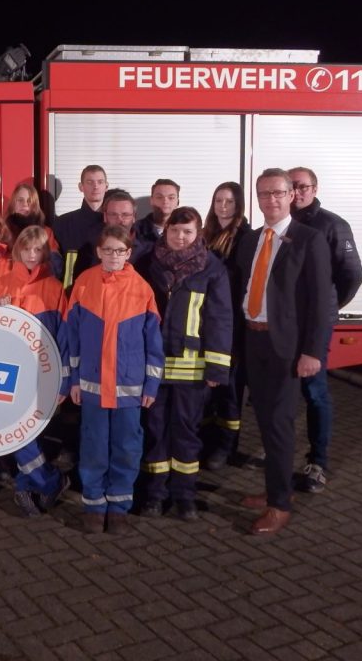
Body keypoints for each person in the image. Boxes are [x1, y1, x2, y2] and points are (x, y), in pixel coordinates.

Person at [236, 168, 332, 535]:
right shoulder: (252, 239)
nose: (270, 200)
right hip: (254, 339)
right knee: (264, 419)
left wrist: (312, 352)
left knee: (279, 423)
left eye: (277, 193)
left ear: (291, 195)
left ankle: (280, 504)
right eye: (263, 194)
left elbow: (321, 302)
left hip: (287, 348)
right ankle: (275, 487)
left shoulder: (309, 239)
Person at [65, 226, 163, 535]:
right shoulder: (84, 283)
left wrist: (151, 385)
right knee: (93, 446)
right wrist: (74, 381)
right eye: (108, 250)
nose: (113, 256)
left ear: (129, 253)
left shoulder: (142, 288)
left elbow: (154, 345)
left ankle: (119, 506)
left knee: (126, 447)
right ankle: (94, 505)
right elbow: (72, 338)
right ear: (98, 251)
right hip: (92, 387)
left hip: (129, 390)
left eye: (120, 250)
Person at [137, 207, 233, 521]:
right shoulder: (147, 264)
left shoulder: (211, 269)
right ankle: (154, 494)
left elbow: (220, 320)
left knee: (187, 432)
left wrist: (216, 368)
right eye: (175, 231)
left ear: (198, 234)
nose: (180, 237)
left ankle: (184, 496)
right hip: (154, 368)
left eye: (188, 232)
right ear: (166, 231)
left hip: (191, 370)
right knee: (155, 431)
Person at [288, 166, 362, 493]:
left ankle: (318, 461)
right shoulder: (280, 223)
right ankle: (281, 451)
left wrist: (328, 309)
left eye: (303, 186)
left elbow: (352, 275)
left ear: (315, 188)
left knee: (315, 392)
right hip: (284, 323)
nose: (298, 191)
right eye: (292, 186)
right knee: (285, 391)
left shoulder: (333, 225)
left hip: (313, 326)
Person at [0, 226, 71, 516]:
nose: (32, 255)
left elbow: (63, 337)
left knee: (26, 431)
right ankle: (48, 482)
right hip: (9, 369)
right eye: (27, 249)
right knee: (16, 431)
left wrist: (64, 379)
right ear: (18, 250)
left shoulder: (54, 287)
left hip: (41, 371)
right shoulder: (3, 282)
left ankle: (28, 486)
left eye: (38, 250)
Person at [201, 182, 251, 470]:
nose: (223, 206)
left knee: (230, 388)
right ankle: (209, 441)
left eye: (229, 201)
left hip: (232, 324)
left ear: (238, 204)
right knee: (208, 387)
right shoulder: (206, 234)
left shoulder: (245, 237)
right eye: (218, 200)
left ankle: (226, 446)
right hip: (207, 322)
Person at [72, 188, 151, 277]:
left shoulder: (147, 250)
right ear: (105, 217)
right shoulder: (89, 248)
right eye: (113, 214)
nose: (120, 220)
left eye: (125, 215)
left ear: (134, 217)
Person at [53, 164, 108, 288]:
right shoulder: (62, 224)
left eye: (100, 182)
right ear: (80, 187)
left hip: (108, 295)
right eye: (90, 182)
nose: (95, 186)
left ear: (106, 186)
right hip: (72, 296)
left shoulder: (114, 223)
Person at [133, 179, 180, 246]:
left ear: (177, 202)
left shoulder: (187, 230)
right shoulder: (136, 230)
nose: (165, 201)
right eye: (159, 197)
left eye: (171, 198)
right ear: (151, 201)